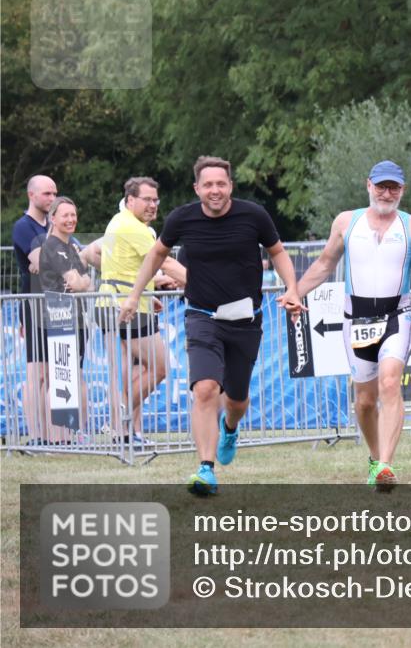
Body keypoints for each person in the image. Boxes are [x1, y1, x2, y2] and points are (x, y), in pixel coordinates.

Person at [119, 156, 303, 496]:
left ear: (230, 186)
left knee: (236, 399)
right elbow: (156, 255)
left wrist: (292, 287)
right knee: (204, 388)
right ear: (197, 188)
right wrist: (135, 295)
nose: (215, 190)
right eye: (208, 185)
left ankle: (230, 428)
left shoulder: (254, 215)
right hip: (202, 316)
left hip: (246, 319)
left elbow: (277, 252)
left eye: (221, 184)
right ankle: (205, 469)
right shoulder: (181, 219)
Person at [296, 160, 411, 488]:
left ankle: (387, 464)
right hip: (355, 318)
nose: (387, 193)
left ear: (403, 190)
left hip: (397, 316)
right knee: (364, 400)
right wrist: (295, 291)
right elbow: (324, 263)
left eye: (394, 188)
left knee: (390, 383)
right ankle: (375, 458)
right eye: (381, 186)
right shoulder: (347, 221)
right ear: (368, 185)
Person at [97, 177, 186, 446]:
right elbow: (165, 262)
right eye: (146, 199)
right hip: (127, 308)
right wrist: (203, 284)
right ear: (130, 200)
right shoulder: (134, 228)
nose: (152, 205)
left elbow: (130, 266)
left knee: (136, 372)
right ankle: (117, 420)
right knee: (159, 368)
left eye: (155, 200)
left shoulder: (118, 220)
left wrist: (148, 290)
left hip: (117, 304)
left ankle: (124, 431)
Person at [37, 197, 92, 443]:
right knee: (60, 377)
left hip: (77, 318)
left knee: (74, 375)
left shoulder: (71, 247)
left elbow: (87, 285)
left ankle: (72, 434)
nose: (70, 219)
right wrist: (83, 281)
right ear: (53, 219)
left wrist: (83, 282)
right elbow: (78, 282)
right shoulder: (52, 245)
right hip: (59, 317)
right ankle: (57, 437)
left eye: (73, 215)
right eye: (65, 215)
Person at [12, 175, 57, 445]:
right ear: (32, 195)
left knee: (55, 373)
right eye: (46, 194)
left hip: (59, 305)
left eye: (55, 194)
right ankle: (35, 435)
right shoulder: (23, 226)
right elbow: (42, 261)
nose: (52, 199)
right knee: (36, 373)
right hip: (35, 305)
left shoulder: (52, 225)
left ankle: (56, 435)